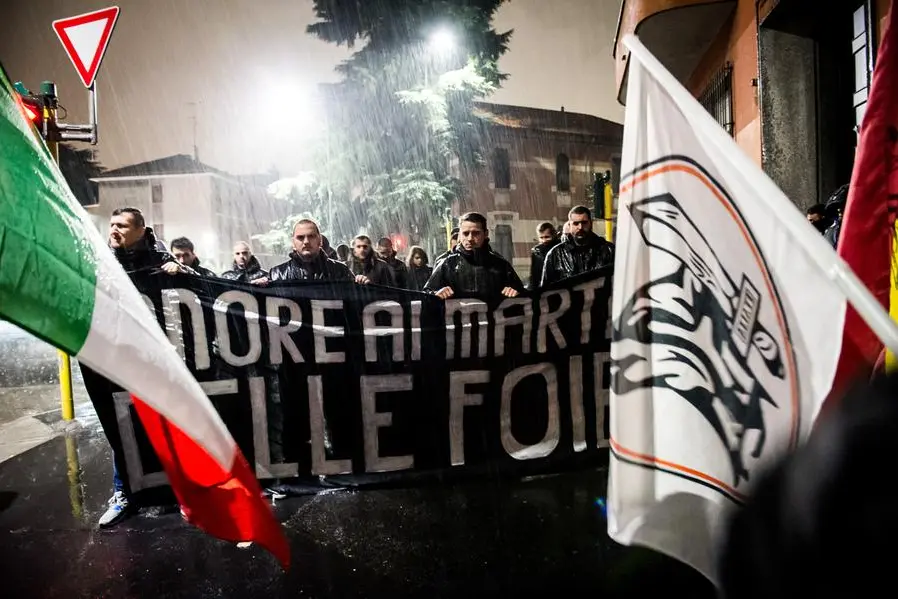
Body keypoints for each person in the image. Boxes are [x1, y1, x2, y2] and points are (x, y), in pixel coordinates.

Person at [85, 207, 180, 528]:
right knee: (121, 426)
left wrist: (179, 270)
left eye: (122, 225)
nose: (114, 230)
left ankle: (176, 493)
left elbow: (191, 292)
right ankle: (123, 493)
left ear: (141, 230)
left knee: (163, 427)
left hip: (155, 360)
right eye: (112, 224)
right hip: (116, 358)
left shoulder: (159, 259)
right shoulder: (100, 260)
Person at [424, 212, 523, 300]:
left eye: (476, 233)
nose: (470, 238)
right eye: (465, 233)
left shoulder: (501, 265)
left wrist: (515, 292)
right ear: (460, 235)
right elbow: (426, 294)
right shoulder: (447, 264)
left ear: (486, 234)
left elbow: (523, 294)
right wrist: (436, 294)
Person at [541, 205, 614, 286]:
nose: (580, 227)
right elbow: (545, 289)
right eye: (576, 223)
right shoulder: (555, 254)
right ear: (570, 225)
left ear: (591, 223)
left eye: (584, 223)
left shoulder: (609, 250)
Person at [269, 219, 358, 282]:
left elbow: (356, 299)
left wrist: (362, 284)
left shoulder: (341, 271)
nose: (306, 242)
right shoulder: (276, 274)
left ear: (320, 241)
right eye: (300, 237)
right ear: (293, 243)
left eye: (311, 236)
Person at [529, 222, 559, 290]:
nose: (544, 240)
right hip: (542, 289)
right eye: (541, 237)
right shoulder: (536, 251)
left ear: (553, 235)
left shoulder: (560, 249)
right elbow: (533, 275)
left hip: (557, 287)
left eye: (547, 237)